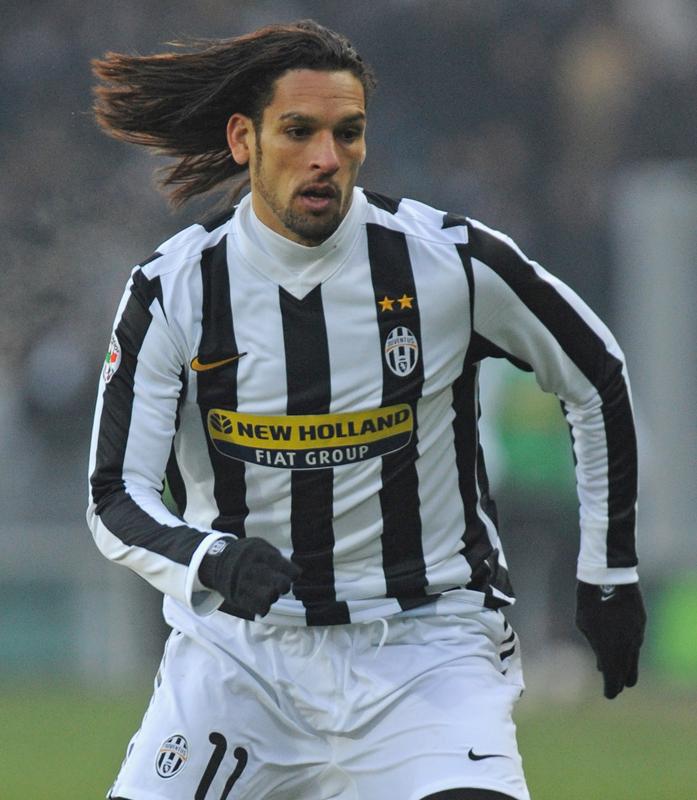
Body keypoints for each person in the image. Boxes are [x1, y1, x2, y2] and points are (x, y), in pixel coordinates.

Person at [87, 20, 646, 800]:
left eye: (346, 133)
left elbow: (596, 375)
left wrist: (608, 573)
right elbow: (115, 494)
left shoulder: (449, 262)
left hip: (425, 650)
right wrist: (208, 558)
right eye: (299, 131)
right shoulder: (173, 288)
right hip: (239, 662)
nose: (326, 157)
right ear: (244, 139)